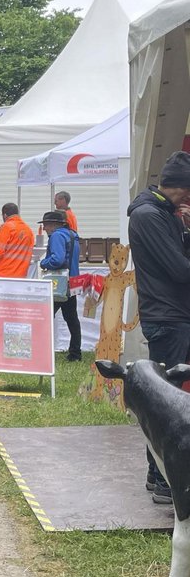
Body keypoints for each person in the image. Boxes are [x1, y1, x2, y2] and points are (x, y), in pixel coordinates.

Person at [127, 151, 190, 504]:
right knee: (165, 404)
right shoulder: (150, 215)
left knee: (169, 399)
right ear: (179, 188)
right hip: (168, 316)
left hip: (173, 314)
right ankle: (164, 479)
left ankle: (159, 476)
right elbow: (180, 271)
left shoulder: (162, 213)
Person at [38, 211, 81, 362]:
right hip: (74, 280)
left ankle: (41, 350)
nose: (44, 228)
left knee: (45, 315)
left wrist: (43, 263)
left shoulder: (56, 236)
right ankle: (75, 353)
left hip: (60, 282)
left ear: (54, 224)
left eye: (46, 225)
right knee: (72, 318)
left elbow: (57, 259)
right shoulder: (73, 235)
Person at [0, 203, 34, 278]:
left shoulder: (5, 228)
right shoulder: (28, 230)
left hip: (4, 275)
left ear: (5, 215)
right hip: (21, 276)